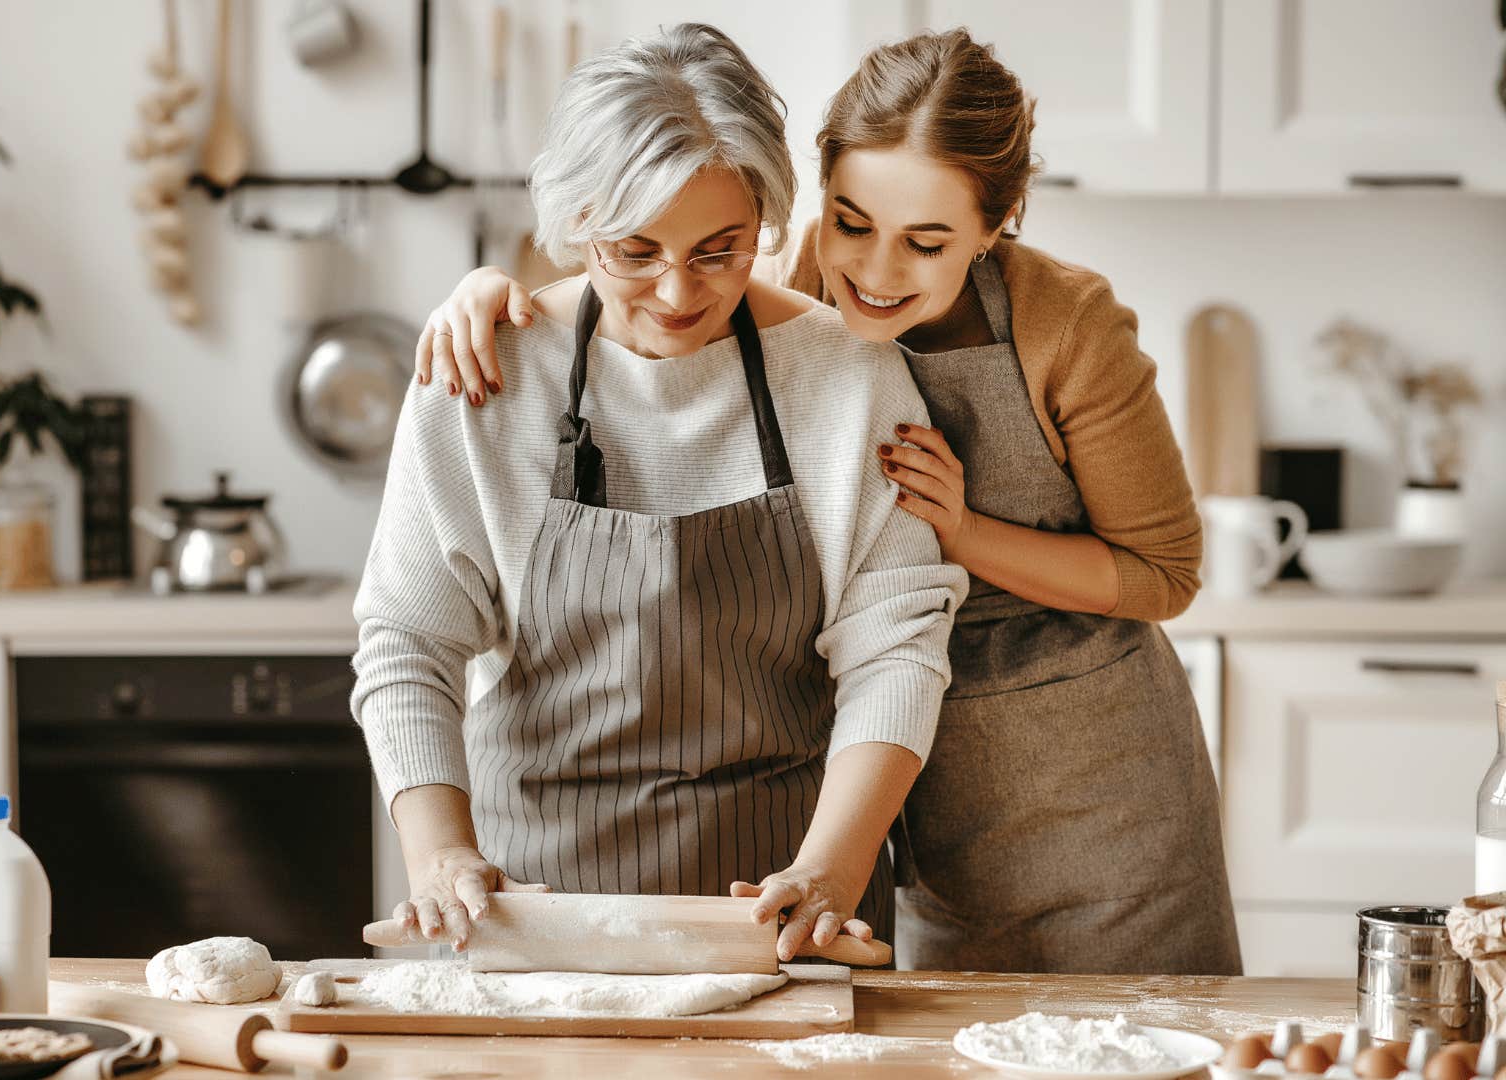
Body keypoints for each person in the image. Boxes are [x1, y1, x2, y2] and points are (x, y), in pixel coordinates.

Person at [411, 27, 1241, 975]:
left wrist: (961, 533)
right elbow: (662, 272)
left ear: (1000, 221)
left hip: (1090, 778)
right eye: (852, 223)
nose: (877, 273)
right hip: (909, 781)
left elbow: (1163, 575)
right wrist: (496, 297)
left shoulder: (1066, 327)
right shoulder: (797, 291)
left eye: (926, 243)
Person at [352, 23, 966, 963]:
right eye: (634, 252)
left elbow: (897, 649)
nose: (680, 292)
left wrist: (833, 873)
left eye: (722, 250)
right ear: (576, 225)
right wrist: (439, 856)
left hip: (784, 915)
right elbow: (408, 639)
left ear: (766, 218)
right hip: (533, 917)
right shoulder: (485, 374)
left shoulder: (848, 379)